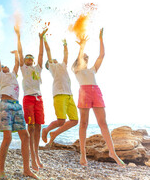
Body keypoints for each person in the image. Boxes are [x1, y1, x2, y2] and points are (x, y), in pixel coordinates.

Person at [72, 28, 125, 167]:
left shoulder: (92, 70)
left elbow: (102, 55)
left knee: (103, 123)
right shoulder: (76, 70)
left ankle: (112, 152)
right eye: (84, 58)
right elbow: (79, 59)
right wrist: (82, 47)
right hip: (84, 93)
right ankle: (83, 155)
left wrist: (101, 38)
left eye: (87, 58)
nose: (86, 60)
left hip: (96, 92)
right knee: (83, 124)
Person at [0, 46, 38, 179]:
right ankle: (1, 170)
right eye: (2, 67)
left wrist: (16, 54)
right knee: (8, 137)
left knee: (26, 136)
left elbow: (16, 64)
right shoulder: (0, 76)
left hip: (17, 105)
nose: (4, 67)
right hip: (5, 105)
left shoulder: (13, 74)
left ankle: (27, 169)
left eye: (6, 66)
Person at [15, 25, 47, 171]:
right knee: (31, 127)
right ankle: (32, 157)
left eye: (30, 58)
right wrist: (18, 36)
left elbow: (41, 54)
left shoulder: (37, 68)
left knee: (39, 126)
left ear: (33, 61)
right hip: (28, 98)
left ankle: (37, 154)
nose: (28, 59)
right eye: (26, 58)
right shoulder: (24, 69)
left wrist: (41, 39)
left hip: (38, 98)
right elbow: (20, 52)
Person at [41, 37, 79, 145]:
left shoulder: (62, 65)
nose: (54, 59)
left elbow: (66, 55)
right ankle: (46, 130)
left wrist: (65, 44)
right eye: (51, 61)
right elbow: (48, 51)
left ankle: (54, 133)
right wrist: (44, 39)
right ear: (49, 66)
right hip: (59, 95)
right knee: (61, 120)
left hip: (69, 95)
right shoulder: (53, 67)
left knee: (75, 120)